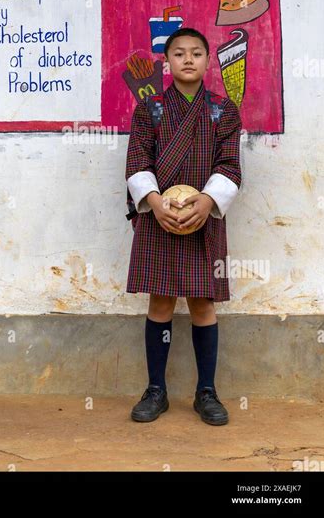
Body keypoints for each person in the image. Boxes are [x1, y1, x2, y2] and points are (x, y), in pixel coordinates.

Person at [125, 28, 242, 426]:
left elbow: (229, 166)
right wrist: (154, 203)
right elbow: (138, 162)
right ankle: (156, 389)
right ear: (167, 62)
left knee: (202, 304)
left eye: (196, 53)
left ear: (208, 61)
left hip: (202, 218)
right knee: (159, 301)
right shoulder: (150, 109)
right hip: (160, 218)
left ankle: (206, 391)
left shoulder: (222, 111)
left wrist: (207, 201)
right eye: (179, 53)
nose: (187, 59)